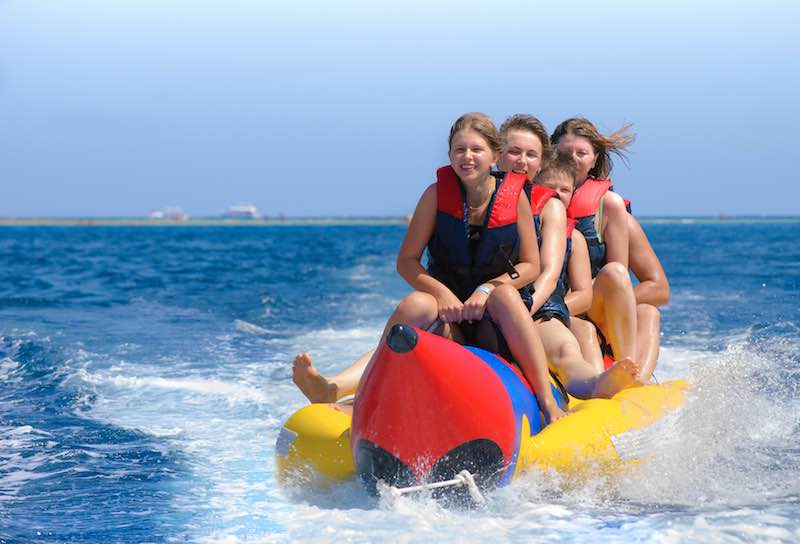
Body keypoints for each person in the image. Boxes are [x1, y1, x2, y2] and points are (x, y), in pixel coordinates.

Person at [294, 113, 566, 422]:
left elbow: (531, 265)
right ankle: (351, 393)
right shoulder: (435, 196)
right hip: (452, 326)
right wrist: (442, 294)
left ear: (494, 155)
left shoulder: (515, 198)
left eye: (476, 149)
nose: (467, 157)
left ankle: (547, 401)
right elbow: (406, 261)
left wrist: (487, 289)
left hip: (495, 323)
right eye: (459, 150)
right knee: (416, 303)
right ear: (450, 155)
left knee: (505, 296)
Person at [497, 114, 639, 397]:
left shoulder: (579, 220)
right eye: (513, 152)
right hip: (485, 304)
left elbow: (557, 277)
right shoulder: (479, 200)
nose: (521, 161)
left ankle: (607, 382)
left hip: (540, 307)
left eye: (529, 154)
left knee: (570, 344)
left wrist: (527, 310)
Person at [551, 118, 639, 366]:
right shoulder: (535, 193)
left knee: (615, 273)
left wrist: (576, 295)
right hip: (553, 298)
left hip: (592, 303)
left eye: (581, 153)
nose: (573, 159)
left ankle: (624, 363)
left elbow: (618, 276)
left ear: (594, 158)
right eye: (565, 152)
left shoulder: (608, 204)